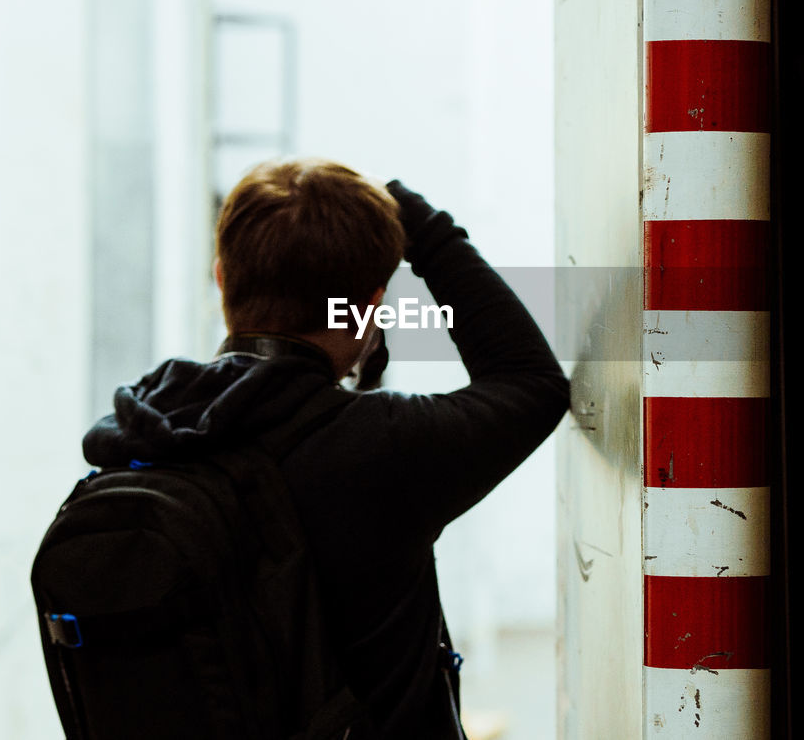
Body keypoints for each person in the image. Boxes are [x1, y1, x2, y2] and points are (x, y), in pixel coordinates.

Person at [80, 158, 570, 738]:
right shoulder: (380, 447)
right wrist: (423, 228)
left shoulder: (138, 434)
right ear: (370, 308)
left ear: (220, 276)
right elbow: (531, 381)